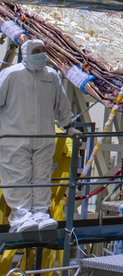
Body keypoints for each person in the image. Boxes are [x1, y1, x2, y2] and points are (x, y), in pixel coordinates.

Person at [0, 39, 75, 231]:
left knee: (42, 176)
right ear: (26, 53)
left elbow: (62, 104)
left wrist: (69, 126)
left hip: (44, 137)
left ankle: (41, 212)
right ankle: (21, 216)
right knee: (18, 177)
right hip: (14, 137)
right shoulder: (11, 75)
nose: (41, 54)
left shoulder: (51, 76)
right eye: (36, 51)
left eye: (43, 50)